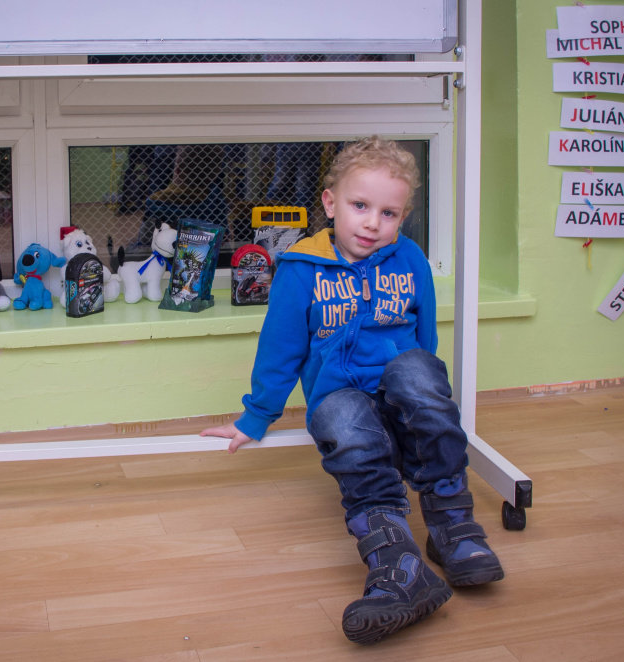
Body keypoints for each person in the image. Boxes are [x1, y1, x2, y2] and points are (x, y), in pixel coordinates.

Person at [201, 137, 503, 645]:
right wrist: (257, 416)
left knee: (418, 370)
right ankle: (398, 563)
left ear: (402, 217)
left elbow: (424, 338)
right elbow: (281, 350)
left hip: (400, 393)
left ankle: (452, 525)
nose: (372, 224)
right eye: (360, 206)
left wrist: (419, 404)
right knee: (340, 420)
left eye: (389, 213)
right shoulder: (301, 269)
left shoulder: (409, 259)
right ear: (330, 203)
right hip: (341, 396)